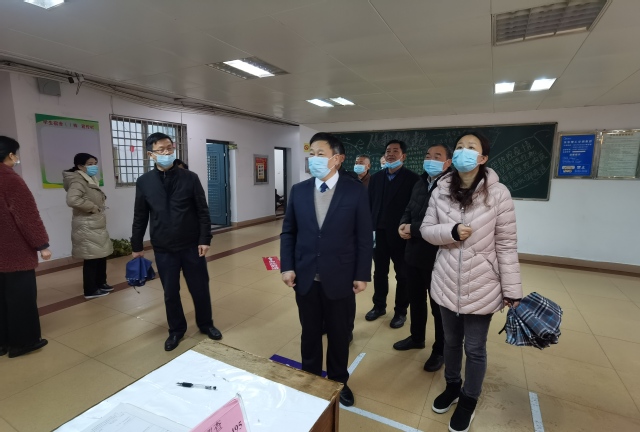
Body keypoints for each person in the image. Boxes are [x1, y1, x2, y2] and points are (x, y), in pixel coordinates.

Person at [420, 131, 522, 432]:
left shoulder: (498, 194)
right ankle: (452, 386)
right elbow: (426, 230)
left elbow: (506, 245)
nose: (463, 151)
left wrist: (512, 290)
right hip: (445, 280)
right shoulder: (440, 190)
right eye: (459, 147)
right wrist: (450, 231)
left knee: (475, 348)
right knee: (451, 342)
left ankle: (468, 398)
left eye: (471, 147)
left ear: (482, 158)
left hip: (482, 283)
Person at [280, 132, 372, 408]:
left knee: (339, 334)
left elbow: (363, 236)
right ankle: (310, 379)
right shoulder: (299, 190)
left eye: (321, 154)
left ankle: (338, 381)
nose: (314, 159)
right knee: (309, 332)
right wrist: (287, 266)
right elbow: (289, 232)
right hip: (306, 275)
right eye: (312, 154)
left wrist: (362, 274)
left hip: (341, 276)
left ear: (337, 159)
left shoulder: (354, 190)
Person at [131, 132, 221, 352]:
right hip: (164, 247)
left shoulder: (190, 178)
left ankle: (206, 324)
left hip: (192, 245)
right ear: (151, 155)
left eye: (169, 148)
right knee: (170, 292)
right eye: (161, 150)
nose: (167, 152)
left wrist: (204, 238)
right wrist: (136, 246)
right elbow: (140, 215)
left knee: (200, 288)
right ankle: (176, 330)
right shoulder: (144, 182)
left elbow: (202, 210)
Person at [393, 144, 452, 372]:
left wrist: (413, 229)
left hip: (437, 256)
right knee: (416, 299)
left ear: (448, 163)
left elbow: (446, 224)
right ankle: (416, 337)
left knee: (438, 307)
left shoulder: (452, 187)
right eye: (428, 155)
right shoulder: (420, 182)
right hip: (413, 253)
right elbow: (409, 208)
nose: (431, 159)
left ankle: (440, 350)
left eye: (437, 156)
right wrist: (403, 224)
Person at [0, 136, 51, 358]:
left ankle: (2, 343)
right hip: (14, 252)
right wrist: (42, 245)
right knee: (20, 298)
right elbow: (26, 216)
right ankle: (23, 343)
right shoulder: (10, 179)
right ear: (10, 155)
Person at [365, 140, 419, 328]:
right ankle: (379, 306)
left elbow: (414, 209)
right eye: (388, 151)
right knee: (379, 272)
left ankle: (400, 312)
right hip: (378, 234)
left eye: (395, 151)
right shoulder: (376, 178)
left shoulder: (413, 179)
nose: (390, 154)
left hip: (400, 235)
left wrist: (409, 228)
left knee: (402, 275)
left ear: (403, 156)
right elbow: (369, 205)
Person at [63, 153, 114, 300]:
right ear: (80, 166)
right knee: (91, 258)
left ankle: (101, 283)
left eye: (95, 163)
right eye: (90, 164)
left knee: (100, 255)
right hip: (86, 224)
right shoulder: (78, 180)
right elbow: (72, 200)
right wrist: (92, 207)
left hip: (95, 223)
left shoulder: (89, 179)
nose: (94, 166)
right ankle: (90, 290)